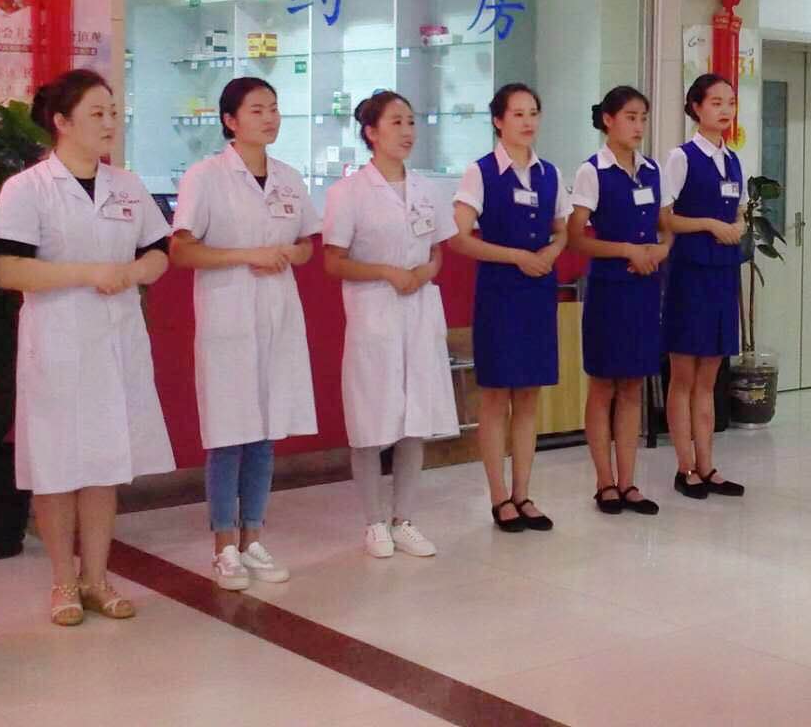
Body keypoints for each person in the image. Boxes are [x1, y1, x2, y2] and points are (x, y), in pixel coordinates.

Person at [0, 69, 174, 626]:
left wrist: (135, 271)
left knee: (104, 462)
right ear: (62, 123)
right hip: (57, 341)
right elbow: (9, 269)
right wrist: (88, 273)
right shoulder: (27, 189)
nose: (109, 122)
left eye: (113, 112)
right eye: (96, 113)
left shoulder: (128, 186)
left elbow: (159, 252)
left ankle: (96, 578)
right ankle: (62, 582)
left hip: (116, 339)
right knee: (56, 464)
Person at [169, 78, 318, 590]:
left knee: (265, 430)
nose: (269, 118)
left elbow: (307, 244)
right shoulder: (206, 177)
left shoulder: (288, 178)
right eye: (257, 110)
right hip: (228, 316)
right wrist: (247, 255)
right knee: (228, 432)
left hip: (277, 313)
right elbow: (181, 250)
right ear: (230, 121)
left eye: (274, 108)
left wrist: (291, 253)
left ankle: (254, 536)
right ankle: (223, 546)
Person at [322, 91, 457, 560]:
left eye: (411, 121)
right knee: (371, 417)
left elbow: (437, 250)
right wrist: (385, 272)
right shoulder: (348, 193)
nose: (407, 131)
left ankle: (405, 519)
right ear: (371, 132)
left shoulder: (426, 189)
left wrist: (425, 271)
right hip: (374, 312)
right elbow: (333, 261)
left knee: (414, 417)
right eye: (396, 122)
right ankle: (374, 521)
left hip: (418, 310)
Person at [448, 83, 572, 533]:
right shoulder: (480, 172)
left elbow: (562, 230)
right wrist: (516, 256)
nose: (527, 121)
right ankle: (499, 496)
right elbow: (459, 237)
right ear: (498, 121)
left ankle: (524, 493)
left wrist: (552, 252)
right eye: (517, 114)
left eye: (533, 112)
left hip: (538, 292)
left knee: (529, 396)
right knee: (497, 395)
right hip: (500, 294)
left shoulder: (550, 173)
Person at [569, 85, 670, 516]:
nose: (638, 126)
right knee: (604, 383)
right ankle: (604, 482)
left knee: (633, 385)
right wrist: (626, 250)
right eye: (630, 117)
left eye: (643, 118)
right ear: (608, 120)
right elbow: (577, 238)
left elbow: (665, 225)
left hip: (645, 288)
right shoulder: (593, 171)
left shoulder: (651, 170)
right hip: (610, 289)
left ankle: (629, 482)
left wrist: (661, 250)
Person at [660, 73, 746, 501]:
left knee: (710, 374)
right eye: (716, 102)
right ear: (696, 107)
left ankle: (708, 465)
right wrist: (710, 224)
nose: (725, 110)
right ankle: (684, 467)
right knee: (684, 374)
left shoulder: (733, 160)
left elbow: (740, 210)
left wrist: (738, 225)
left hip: (722, 272)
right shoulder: (682, 157)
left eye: (730, 102)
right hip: (689, 272)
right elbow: (665, 218)